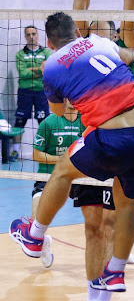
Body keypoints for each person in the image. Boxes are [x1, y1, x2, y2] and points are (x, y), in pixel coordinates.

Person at [9, 10, 134, 301]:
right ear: (78, 31)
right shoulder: (100, 43)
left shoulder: (50, 65)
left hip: (109, 137)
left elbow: (55, 111)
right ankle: (108, 288)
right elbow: (129, 51)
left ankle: (35, 236)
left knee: (62, 171)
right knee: (125, 204)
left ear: (49, 41)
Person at [67, 0, 134, 301]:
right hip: (93, 143)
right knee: (93, 226)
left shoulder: (125, 53)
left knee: (114, 220)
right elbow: (78, 18)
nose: (98, 31)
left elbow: (128, 22)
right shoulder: (82, 52)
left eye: (106, 28)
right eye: (93, 28)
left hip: (127, 143)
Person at [32, 100, 85, 268]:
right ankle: (43, 242)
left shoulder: (85, 122)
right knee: (36, 220)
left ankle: (117, 250)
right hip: (49, 176)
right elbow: (36, 155)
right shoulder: (49, 122)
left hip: (77, 175)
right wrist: (63, 161)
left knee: (102, 211)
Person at [11, 26, 51, 160]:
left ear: (38, 35)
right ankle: (15, 151)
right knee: (20, 120)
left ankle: (47, 150)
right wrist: (39, 69)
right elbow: (23, 73)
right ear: (25, 36)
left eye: (34, 33)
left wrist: (32, 70)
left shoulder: (46, 52)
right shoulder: (20, 54)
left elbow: (48, 69)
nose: (31, 36)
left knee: (44, 121)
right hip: (25, 92)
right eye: (28, 34)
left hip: (41, 91)